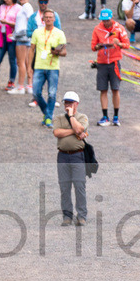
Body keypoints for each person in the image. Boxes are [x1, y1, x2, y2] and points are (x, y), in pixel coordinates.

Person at [52, 91, 89, 227]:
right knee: (64, 187)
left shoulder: (82, 117)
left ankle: (82, 216)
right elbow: (57, 132)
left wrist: (72, 116)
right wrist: (75, 131)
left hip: (77, 156)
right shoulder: (59, 118)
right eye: (66, 102)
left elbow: (80, 129)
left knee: (79, 186)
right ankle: (67, 216)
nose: (67, 105)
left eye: (70, 103)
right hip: (62, 156)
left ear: (76, 104)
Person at [29, 8, 67, 127]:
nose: (49, 19)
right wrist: (29, 66)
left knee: (51, 93)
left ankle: (48, 118)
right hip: (39, 66)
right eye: (46, 17)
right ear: (43, 19)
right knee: (36, 93)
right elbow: (31, 50)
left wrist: (57, 52)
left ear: (54, 19)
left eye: (51, 17)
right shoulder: (37, 32)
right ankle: (47, 112)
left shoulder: (59, 33)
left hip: (53, 67)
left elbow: (64, 52)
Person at [91, 7, 128, 127]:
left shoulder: (119, 28)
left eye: (107, 20)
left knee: (115, 89)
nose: (105, 22)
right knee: (103, 89)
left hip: (114, 62)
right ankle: (105, 116)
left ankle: (116, 117)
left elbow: (127, 44)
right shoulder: (97, 29)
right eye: (103, 20)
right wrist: (99, 46)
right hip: (101, 63)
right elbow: (93, 46)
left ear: (111, 18)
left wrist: (119, 43)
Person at [10, 0, 33, 94]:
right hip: (23, 36)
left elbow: (30, 20)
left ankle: (20, 87)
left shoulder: (27, 6)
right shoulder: (24, 7)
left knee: (21, 62)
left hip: (22, 37)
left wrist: (24, 33)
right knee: (27, 62)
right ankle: (29, 85)